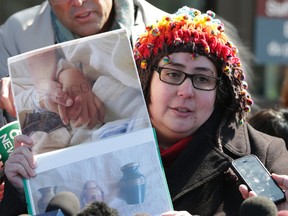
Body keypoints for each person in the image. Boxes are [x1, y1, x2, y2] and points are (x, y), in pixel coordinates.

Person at [133, 6, 288, 215]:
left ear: (220, 91)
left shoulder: (266, 155)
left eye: (202, 79)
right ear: (146, 79)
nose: (186, 91)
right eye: (172, 74)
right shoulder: (101, 141)